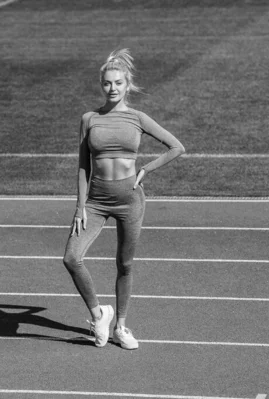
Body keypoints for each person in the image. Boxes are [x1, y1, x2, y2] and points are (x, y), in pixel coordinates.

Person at [62, 49, 185, 350]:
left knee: (124, 264)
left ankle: (121, 327)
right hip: (96, 201)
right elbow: (83, 166)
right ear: (101, 85)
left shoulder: (138, 118)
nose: (112, 88)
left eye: (118, 83)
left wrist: (146, 169)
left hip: (131, 200)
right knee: (71, 257)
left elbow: (176, 147)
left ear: (127, 84)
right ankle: (99, 313)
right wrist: (80, 207)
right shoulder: (89, 119)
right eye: (107, 83)